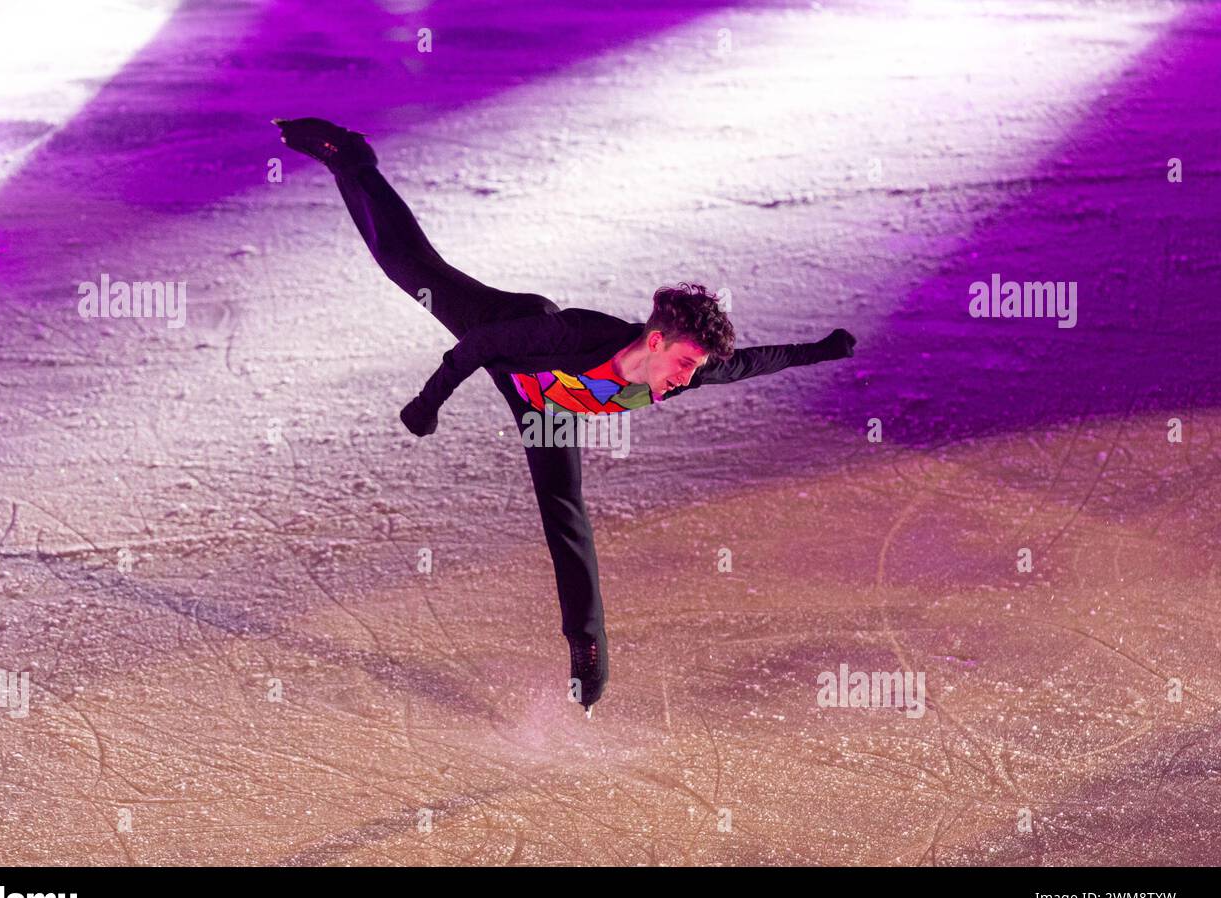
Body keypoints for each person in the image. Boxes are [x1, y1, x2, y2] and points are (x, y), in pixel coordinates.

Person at [273, 118, 857, 716]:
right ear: (655, 342)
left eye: (693, 369)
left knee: (565, 514)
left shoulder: (679, 374)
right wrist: (427, 405)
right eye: (683, 362)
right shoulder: (571, 335)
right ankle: (349, 155)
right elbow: (479, 348)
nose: (686, 379)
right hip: (507, 340)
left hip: (547, 406)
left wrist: (824, 349)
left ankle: (587, 644)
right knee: (407, 265)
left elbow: (752, 363)